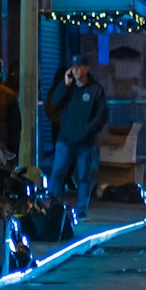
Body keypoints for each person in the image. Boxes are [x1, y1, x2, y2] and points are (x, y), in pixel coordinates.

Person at [46, 54, 109, 221]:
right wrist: (65, 84)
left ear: (86, 68)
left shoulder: (95, 89)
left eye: (79, 66)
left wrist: (89, 129)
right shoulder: (68, 87)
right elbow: (54, 102)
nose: (76, 70)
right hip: (65, 139)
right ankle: (51, 204)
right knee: (58, 171)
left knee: (83, 176)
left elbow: (102, 114)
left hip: (84, 142)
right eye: (74, 66)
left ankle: (82, 209)